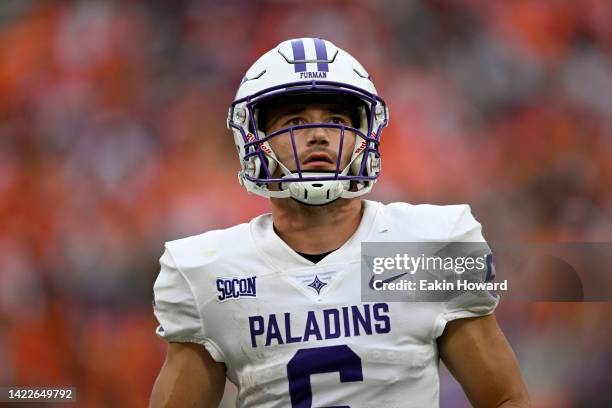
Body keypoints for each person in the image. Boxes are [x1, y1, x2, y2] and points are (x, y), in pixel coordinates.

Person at [150, 38, 530, 407]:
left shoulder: (426, 248)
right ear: (256, 140)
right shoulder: (209, 272)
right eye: (295, 121)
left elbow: (504, 399)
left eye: (335, 120)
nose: (318, 135)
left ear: (364, 135)